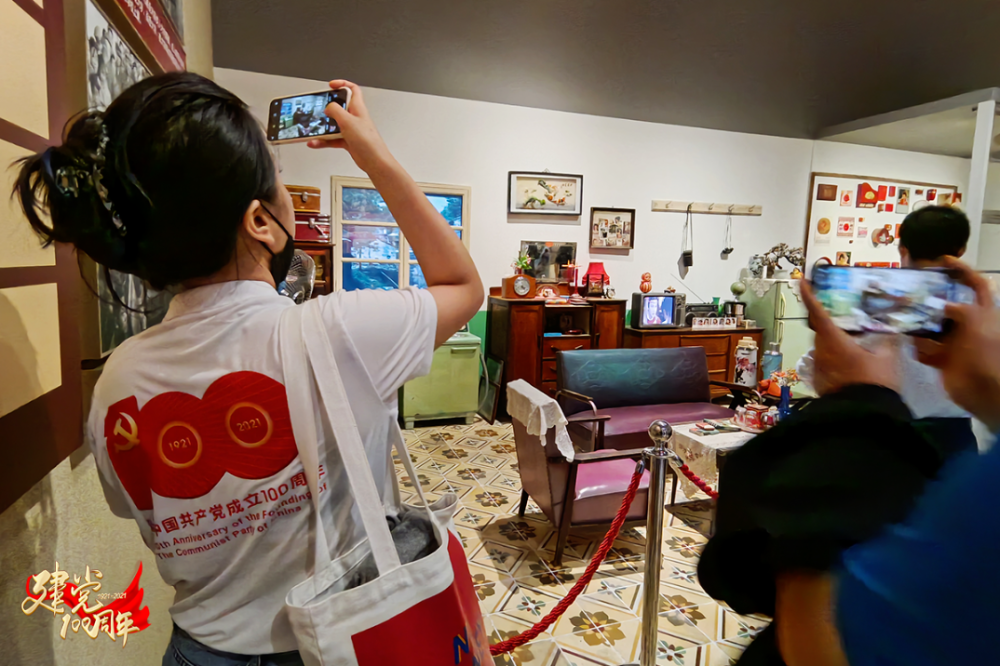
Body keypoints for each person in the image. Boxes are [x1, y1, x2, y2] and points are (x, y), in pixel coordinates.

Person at [14, 72, 483, 665]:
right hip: (348, 641)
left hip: (198, 651)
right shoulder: (341, 331)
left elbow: (139, 511)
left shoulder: (117, 381)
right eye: (279, 176)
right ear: (260, 221)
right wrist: (373, 154)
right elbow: (462, 285)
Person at [776, 259, 999, 666]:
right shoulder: (975, 480)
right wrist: (990, 394)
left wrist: (853, 398)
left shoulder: (982, 497)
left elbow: (824, 647)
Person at [797, 205, 978, 460]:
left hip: (887, 440)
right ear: (960, 251)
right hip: (956, 443)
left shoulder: (878, 302)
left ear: (902, 249)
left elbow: (810, 370)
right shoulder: (984, 309)